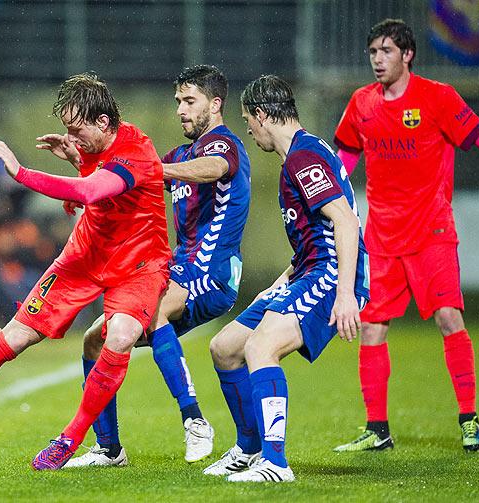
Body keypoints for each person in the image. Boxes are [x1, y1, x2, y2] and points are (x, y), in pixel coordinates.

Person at [0, 73, 172, 470]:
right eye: (66, 128)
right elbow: (93, 178)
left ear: (103, 123)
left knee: (119, 336)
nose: (71, 136)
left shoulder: (137, 152)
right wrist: (76, 156)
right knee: (13, 337)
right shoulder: (93, 145)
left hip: (138, 265)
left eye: (76, 129)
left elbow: (90, 192)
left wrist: (21, 172)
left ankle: (71, 438)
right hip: (83, 257)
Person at [332, 19, 479, 453]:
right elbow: (345, 160)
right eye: (373, 52)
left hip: (432, 232)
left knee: (449, 318)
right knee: (372, 327)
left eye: (386, 51)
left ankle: (469, 421)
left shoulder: (438, 98)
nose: (378, 59)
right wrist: (324, 201)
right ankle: (377, 430)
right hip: (380, 236)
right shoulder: (361, 103)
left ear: (407, 54)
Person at [65, 65, 251, 467]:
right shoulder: (178, 155)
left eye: (189, 101)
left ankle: (195, 420)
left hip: (211, 272)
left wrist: (149, 170)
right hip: (178, 271)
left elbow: (213, 170)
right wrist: (83, 167)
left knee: (152, 310)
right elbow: (126, 181)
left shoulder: (224, 145)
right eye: (178, 102)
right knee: (95, 340)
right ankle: (108, 448)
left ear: (215, 104)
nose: (181, 110)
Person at [204, 75, 369, 483]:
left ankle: (275, 463)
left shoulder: (303, 158)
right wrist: (281, 281)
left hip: (331, 276)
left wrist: (346, 293)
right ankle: (249, 449)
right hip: (307, 272)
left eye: (248, 121)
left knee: (262, 346)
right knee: (225, 347)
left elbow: (346, 223)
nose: (249, 130)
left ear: (262, 115)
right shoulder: (298, 157)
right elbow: (315, 238)